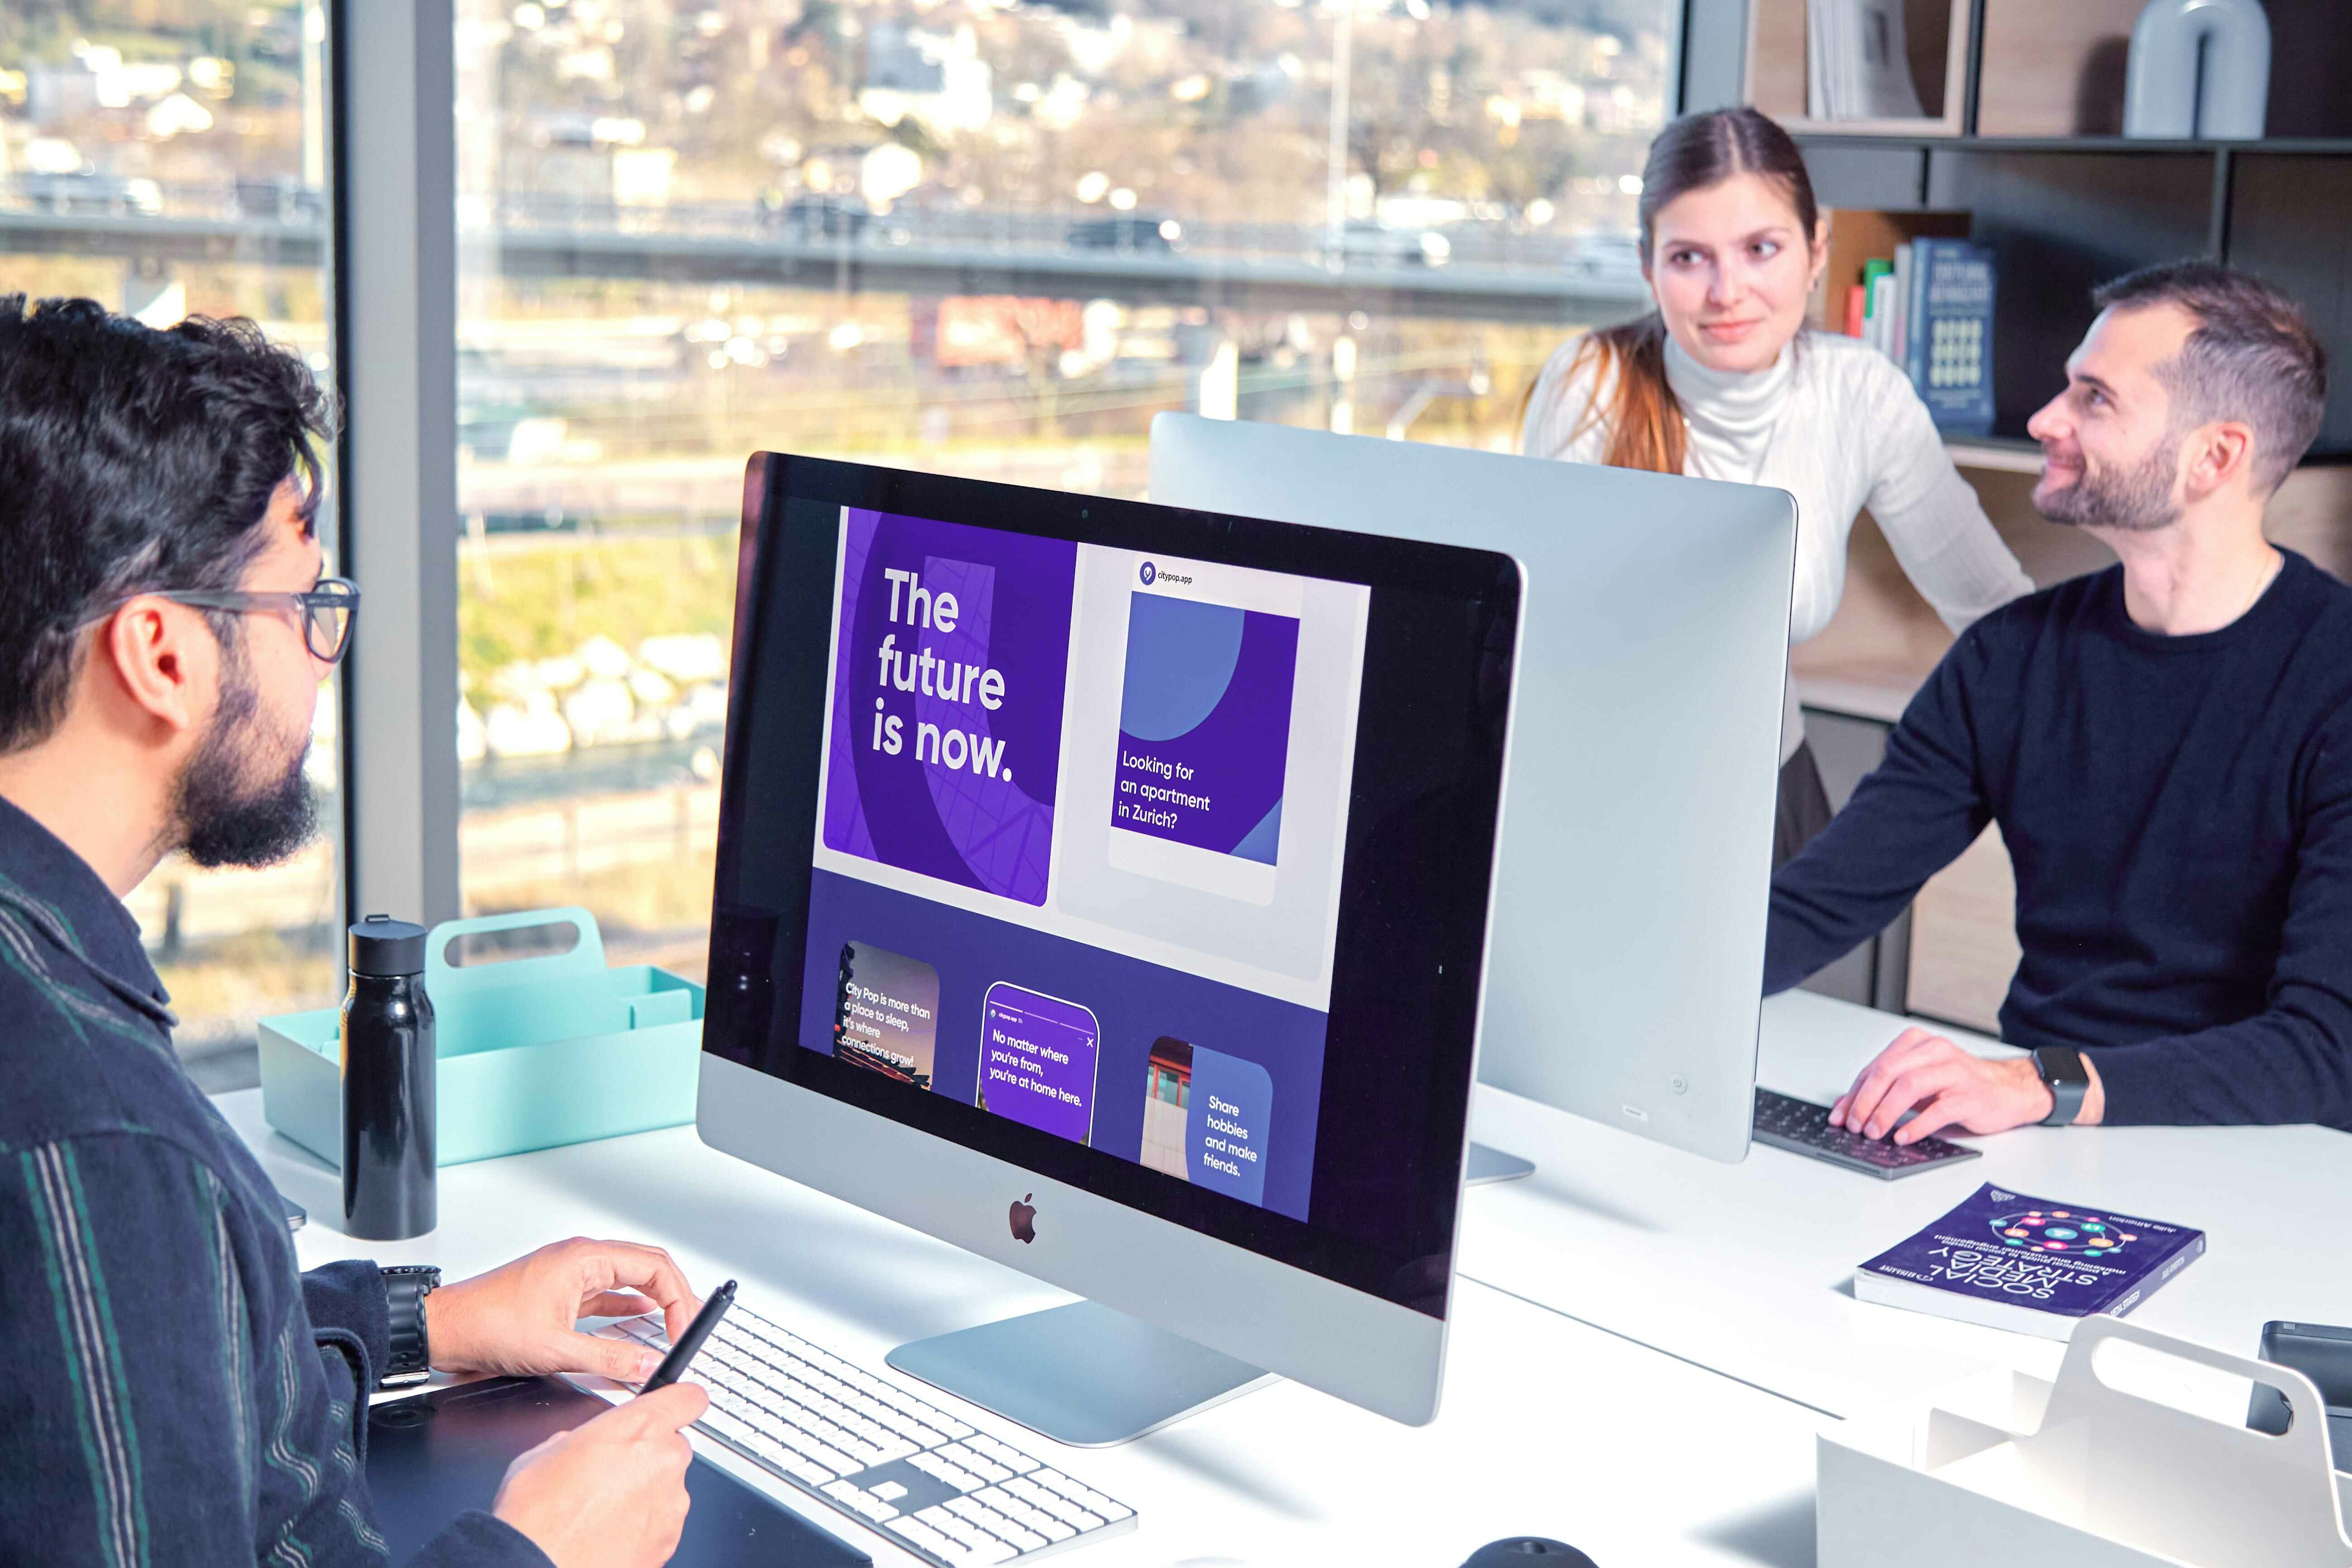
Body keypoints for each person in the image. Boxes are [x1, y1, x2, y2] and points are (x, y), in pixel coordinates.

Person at [0, 296, 709, 1567]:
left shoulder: (45, 985)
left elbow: (115, 1385)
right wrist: (541, 1549)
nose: (324, 656)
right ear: (161, 653)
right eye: (304, 604)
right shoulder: (97, 1140)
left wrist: (421, 1324)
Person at [1766, 262, 2352, 1141]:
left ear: (2216, 457)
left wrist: (2043, 1085)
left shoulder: (2335, 680)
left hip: (2263, 1154)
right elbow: (1821, 902)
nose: (2046, 419)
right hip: (2042, 1130)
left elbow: (2325, 1050)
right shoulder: (2011, 656)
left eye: (2095, 399)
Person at [1521, 107, 2032, 863]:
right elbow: (1538, 629)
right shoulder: (1592, 384)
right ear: (1647, 266)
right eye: (1689, 258)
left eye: (1761, 249)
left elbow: (1994, 610)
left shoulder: (1860, 392)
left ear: (1816, 249)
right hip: (1598, 792)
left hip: (1768, 786)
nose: (1727, 291)